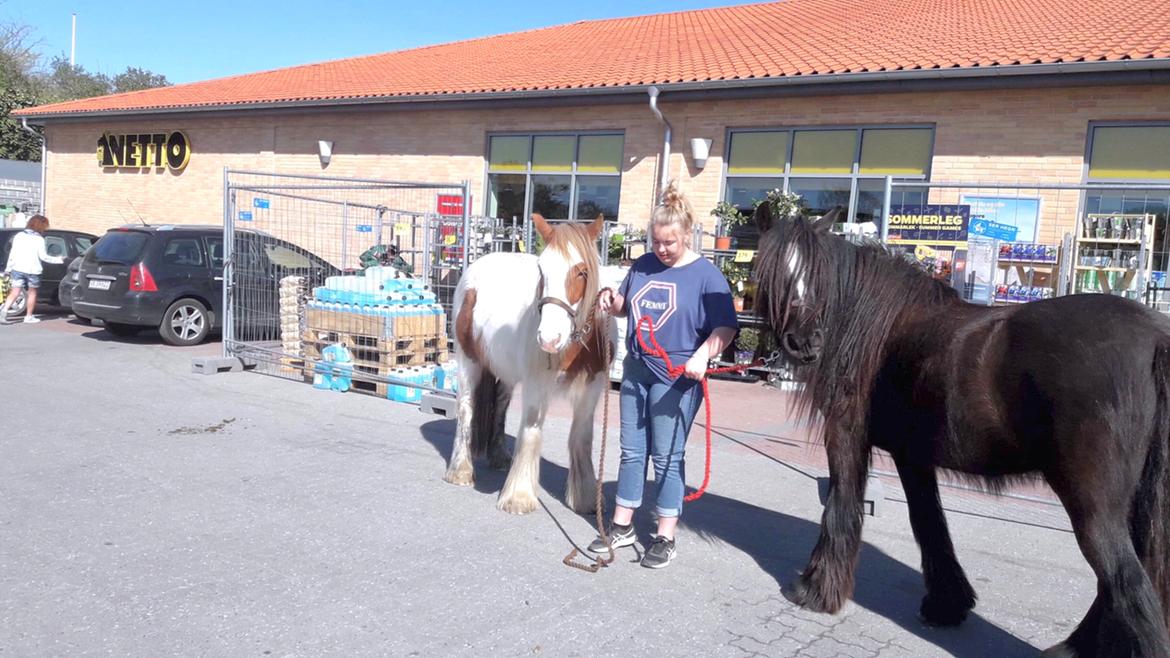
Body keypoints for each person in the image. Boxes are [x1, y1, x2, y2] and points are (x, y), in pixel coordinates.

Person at [588, 183, 738, 569]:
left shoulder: (707, 276)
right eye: (656, 241)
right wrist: (612, 300)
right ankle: (622, 526)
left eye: (669, 242)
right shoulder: (642, 265)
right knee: (632, 450)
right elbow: (627, 306)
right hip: (637, 370)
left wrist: (704, 354)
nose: (662, 249)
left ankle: (665, 535)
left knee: (668, 458)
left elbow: (726, 328)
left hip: (677, 377)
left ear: (687, 235)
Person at [0, 214, 65, 323]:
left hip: (17, 268)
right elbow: (44, 257)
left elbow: (13, 254)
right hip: (33, 270)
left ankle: (4, 312)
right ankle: (28, 316)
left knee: (15, 291)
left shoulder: (19, 236)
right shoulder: (39, 239)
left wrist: (8, 269)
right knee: (32, 293)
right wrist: (59, 259)